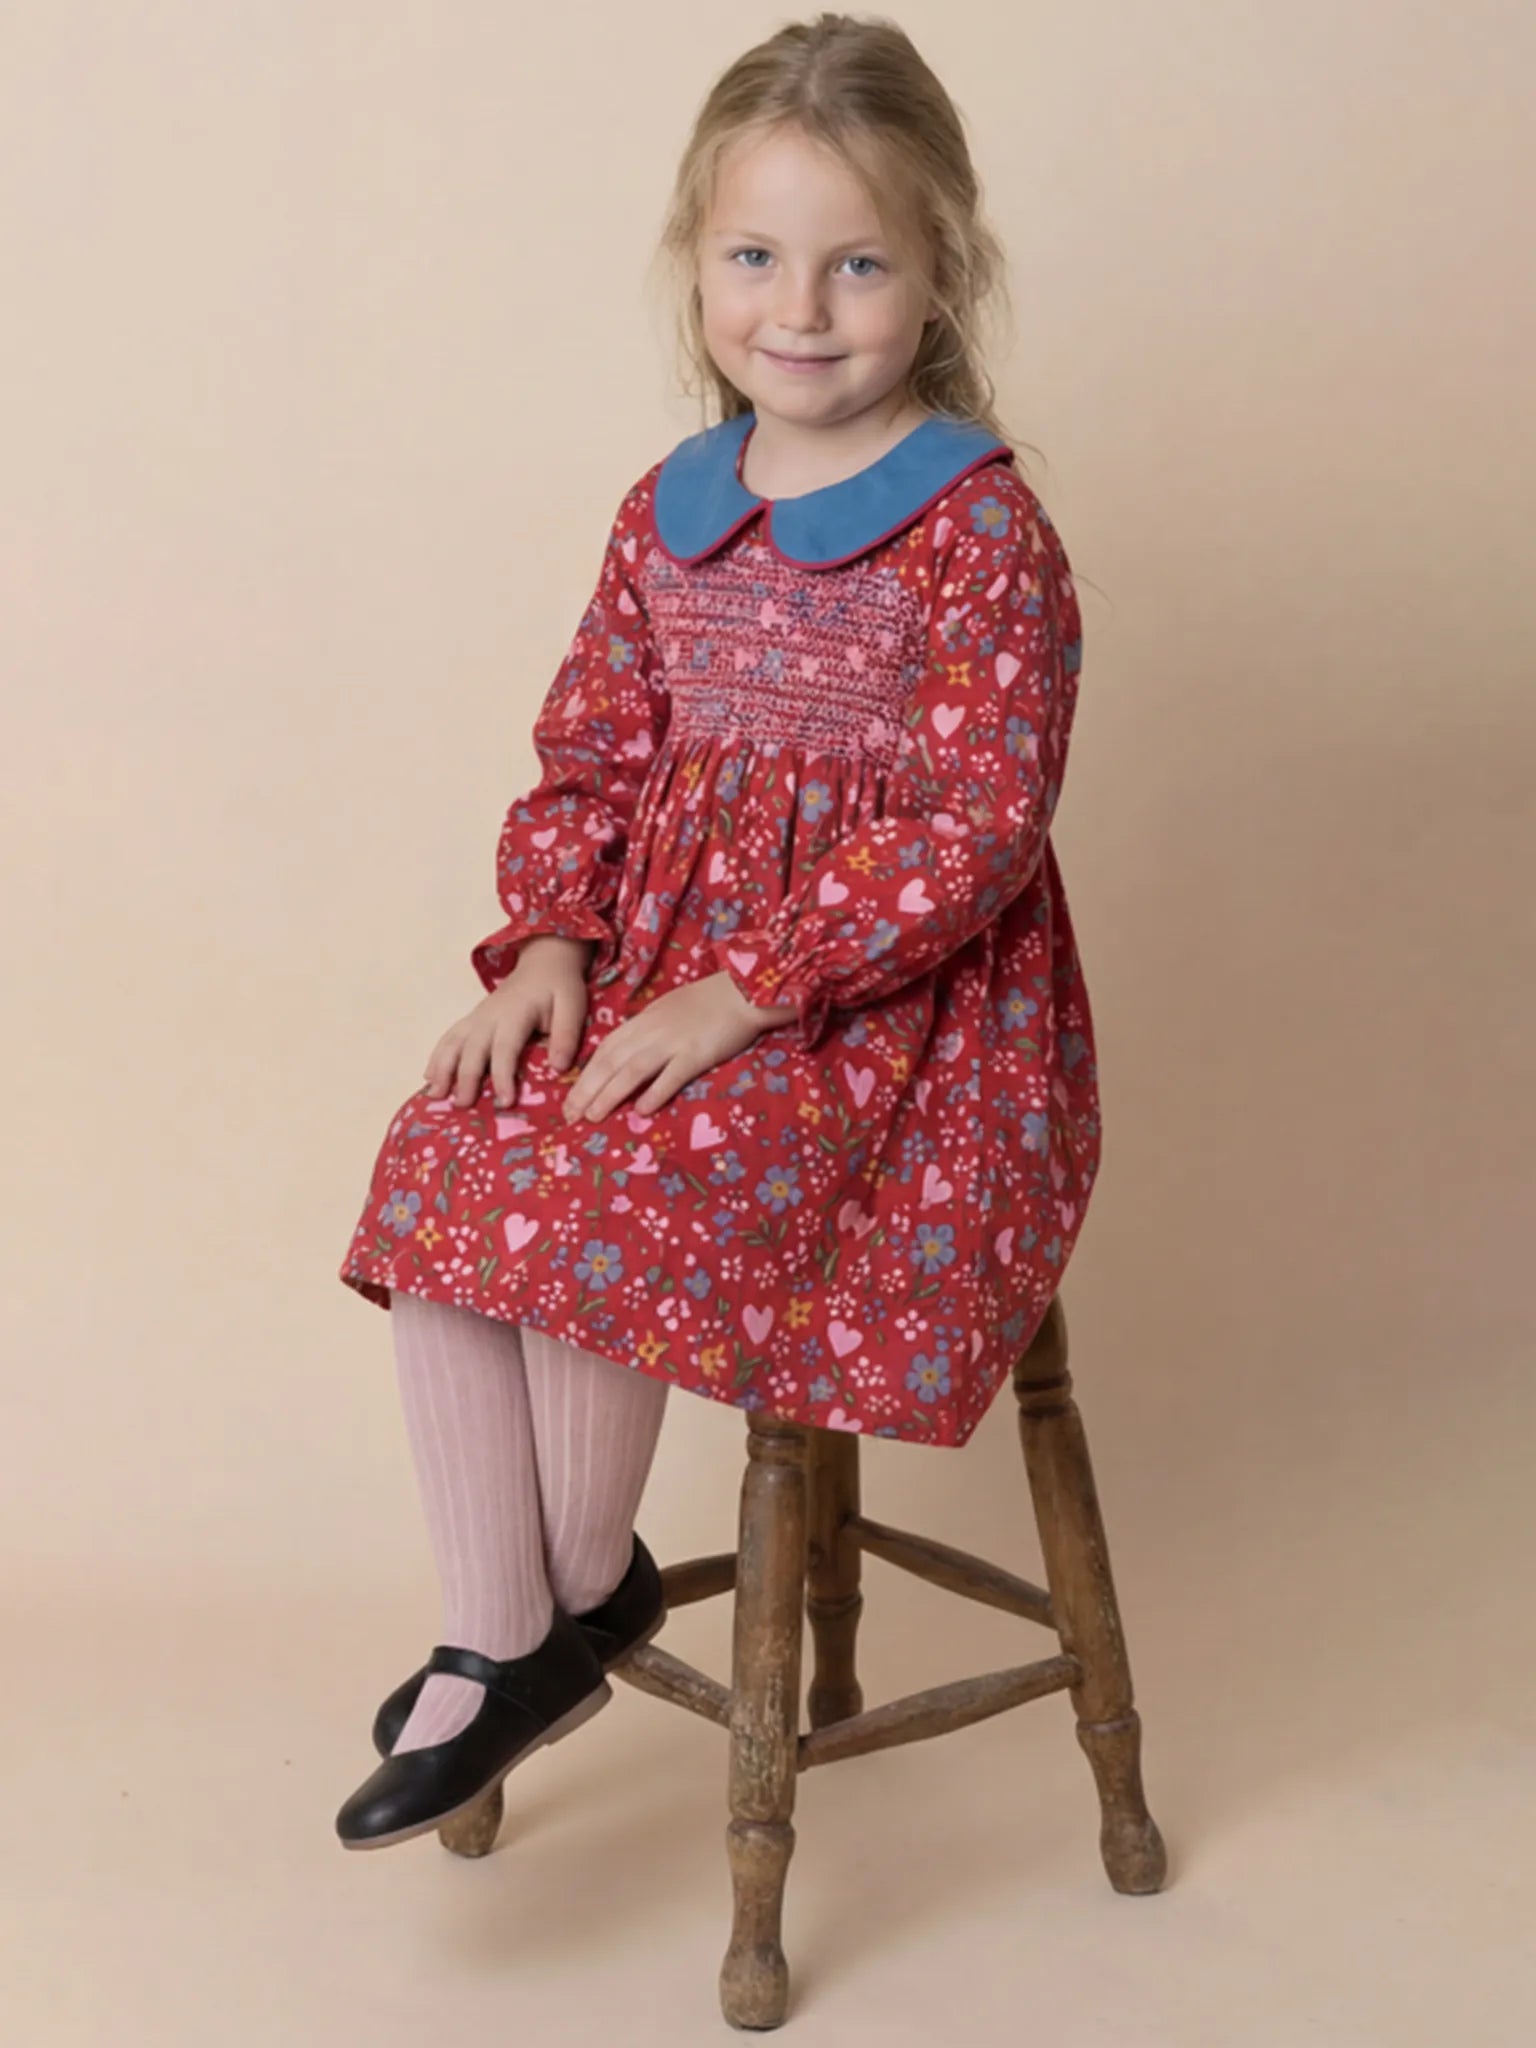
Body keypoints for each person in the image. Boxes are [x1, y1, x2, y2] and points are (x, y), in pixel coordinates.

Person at [334, 11, 1102, 1851]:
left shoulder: (976, 531)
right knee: (452, 1152)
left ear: (941, 272)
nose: (801, 308)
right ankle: (519, 1623)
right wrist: (549, 946)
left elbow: (977, 827)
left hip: (893, 1036)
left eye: (858, 264)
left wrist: (748, 992)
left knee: (608, 1172)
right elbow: (593, 750)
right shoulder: (666, 513)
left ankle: (559, 1608)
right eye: (756, 256)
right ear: (694, 265)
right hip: (656, 983)